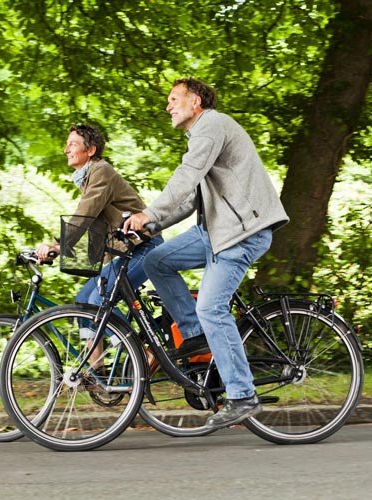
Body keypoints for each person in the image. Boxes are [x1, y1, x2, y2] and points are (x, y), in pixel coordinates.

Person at [124, 78, 289, 429]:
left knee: (211, 307)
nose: (168, 106)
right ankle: (194, 333)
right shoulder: (203, 136)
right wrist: (150, 227)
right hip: (216, 231)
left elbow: (185, 176)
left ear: (195, 101)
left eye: (173, 99)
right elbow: (188, 199)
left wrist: (148, 213)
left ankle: (242, 395)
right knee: (156, 260)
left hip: (242, 232)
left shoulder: (211, 125)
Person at [36, 124, 164, 371]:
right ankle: (98, 373)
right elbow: (93, 226)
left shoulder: (101, 171)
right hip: (128, 251)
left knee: (98, 299)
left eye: (72, 144)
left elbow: (84, 214)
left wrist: (55, 246)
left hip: (145, 248)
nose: (66, 150)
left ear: (91, 150)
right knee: (84, 300)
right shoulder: (89, 177)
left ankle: (143, 354)